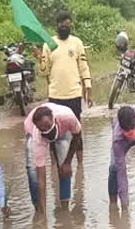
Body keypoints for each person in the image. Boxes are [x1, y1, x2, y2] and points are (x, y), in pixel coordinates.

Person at [32, 11, 92, 160]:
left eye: (68, 26)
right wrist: (40, 59)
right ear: (57, 26)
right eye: (63, 26)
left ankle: (80, 163)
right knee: (53, 130)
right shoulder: (49, 44)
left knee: (77, 130)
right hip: (55, 95)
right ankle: (56, 162)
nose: (66, 28)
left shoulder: (77, 42)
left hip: (74, 93)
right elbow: (44, 72)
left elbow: (83, 66)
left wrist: (88, 87)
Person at [24, 103, 82, 212]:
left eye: (47, 125)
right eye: (42, 128)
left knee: (64, 168)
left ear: (53, 118)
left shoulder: (67, 117)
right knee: (33, 173)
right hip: (32, 132)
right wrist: (43, 216)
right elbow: (41, 175)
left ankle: (65, 208)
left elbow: (77, 135)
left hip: (62, 130)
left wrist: (67, 162)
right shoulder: (37, 136)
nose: (45, 130)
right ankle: (39, 209)